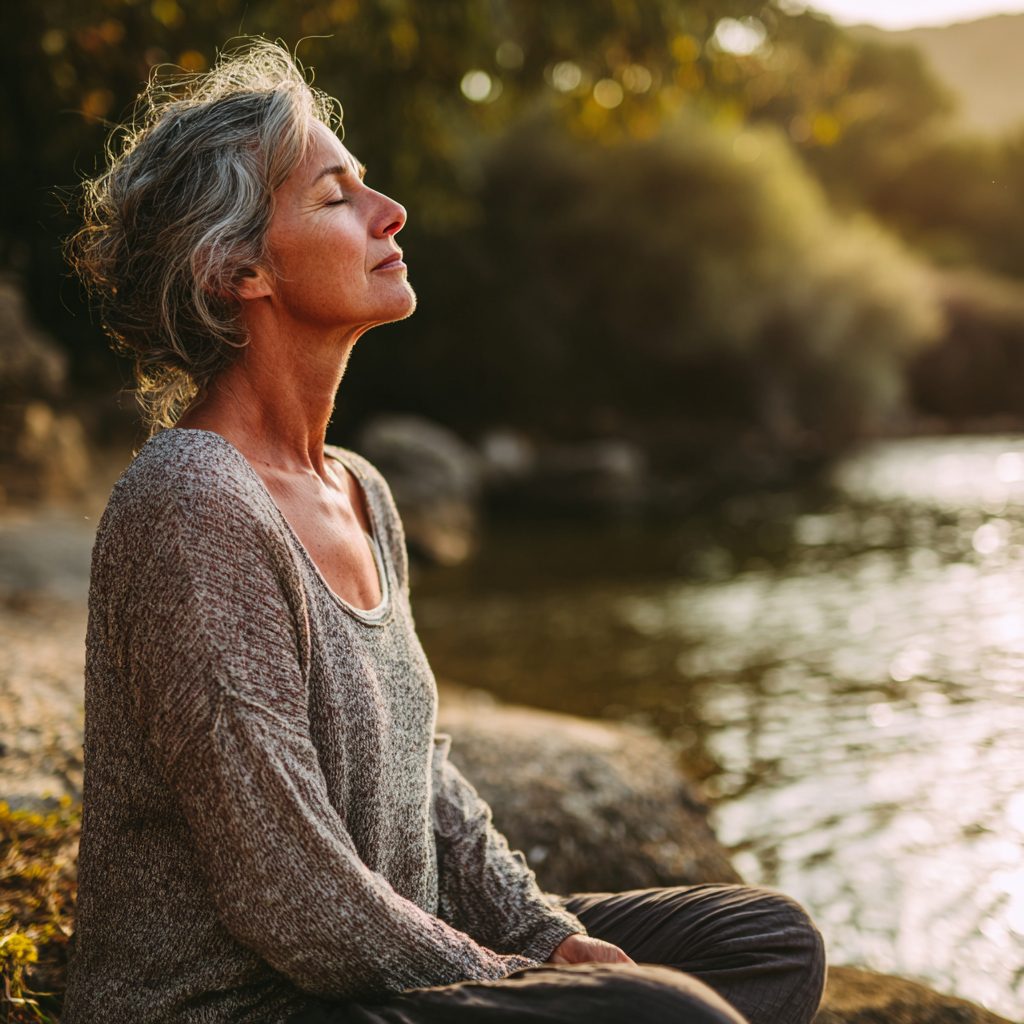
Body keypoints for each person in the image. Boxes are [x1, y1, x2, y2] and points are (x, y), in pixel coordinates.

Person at [62, 40, 825, 1024]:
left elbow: (426, 787)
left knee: (764, 941)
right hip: (244, 1002)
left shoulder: (362, 493)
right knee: (663, 1014)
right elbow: (291, 899)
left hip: (380, 942)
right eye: (337, 197)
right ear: (237, 266)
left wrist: (548, 935)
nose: (391, 214)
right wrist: (525, 984)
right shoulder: (195, 501)